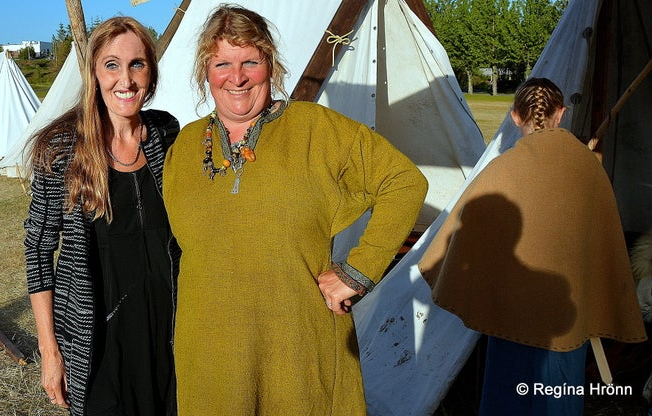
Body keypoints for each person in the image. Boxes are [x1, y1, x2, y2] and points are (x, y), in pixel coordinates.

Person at [161, 5, 428, 415]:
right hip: (210, 356)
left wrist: (357, 271)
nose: (237, 77)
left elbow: (404, 182)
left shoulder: (316, 128)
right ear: (205, 71)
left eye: (251, 61)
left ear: (271, 64)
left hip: (298, 350)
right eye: (222, 64)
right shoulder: (184, 147)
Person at [419, 78, 647, 415]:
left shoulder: (502, 169)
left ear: (514, 117)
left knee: (508, 402)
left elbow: (457, 239)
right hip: (567, 321)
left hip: (509, 319)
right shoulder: (589, 169)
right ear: (562, 113)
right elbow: (604, 243)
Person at [23, 16, 180, 416]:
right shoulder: (60, 148)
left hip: (168, 333)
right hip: (97, 338)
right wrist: (49, 351)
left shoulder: (166, 134)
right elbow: (38, 251)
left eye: (136, 64)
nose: (124, 80)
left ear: (151, 71)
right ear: (94, 72)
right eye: (111, 65)